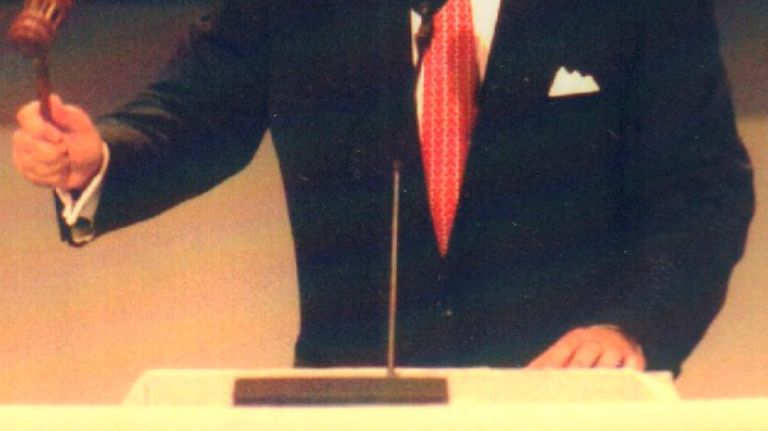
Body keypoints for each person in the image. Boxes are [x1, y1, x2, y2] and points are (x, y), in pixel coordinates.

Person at [12, 0, 754, 375]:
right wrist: (99, 154)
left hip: (560, 404)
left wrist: (631, 327)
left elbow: (703, 190)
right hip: (353, 402)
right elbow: (198, 108)